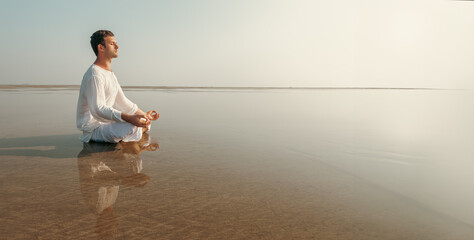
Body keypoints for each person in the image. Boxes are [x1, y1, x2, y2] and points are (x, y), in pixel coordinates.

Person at [76, 30, 159, 143]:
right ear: (101, 48)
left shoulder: (109, 73)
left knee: (144, 121)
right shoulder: (95, 74)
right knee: (133, 126)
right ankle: (129, 137)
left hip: (107, 123)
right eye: (112, 44)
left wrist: (144, 114)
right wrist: (130, 118)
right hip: (93, 129)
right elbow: (98, 109)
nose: (117, 46)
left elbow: (122, 101)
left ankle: (131, 133)